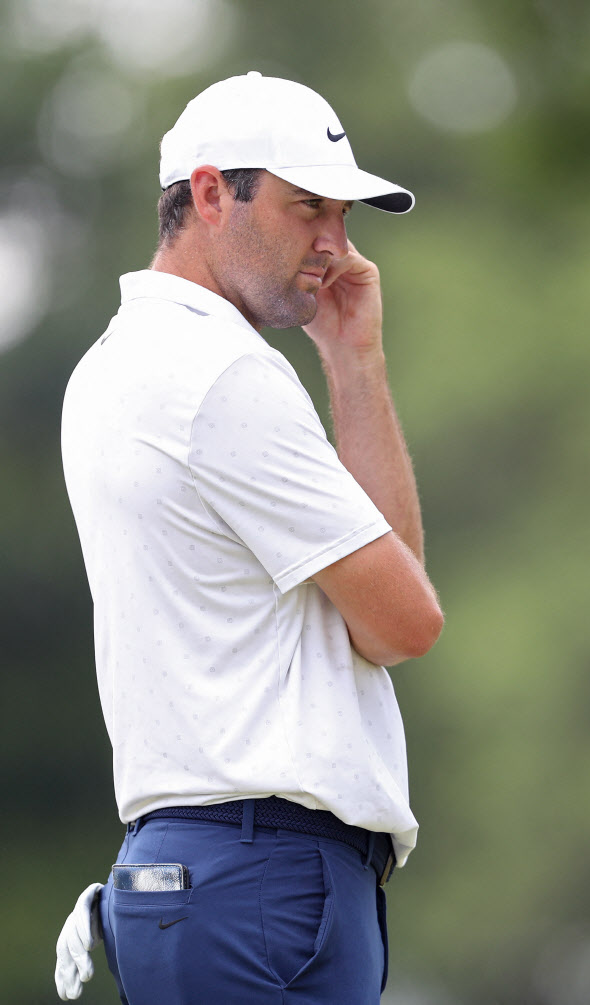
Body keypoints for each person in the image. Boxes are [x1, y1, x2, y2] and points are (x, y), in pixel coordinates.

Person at [55, 71, 443, 1004]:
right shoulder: (223, 372)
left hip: (190, 871)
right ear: (208, 193)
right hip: (265, 880)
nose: (335, 243)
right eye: (308, 205)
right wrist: (357, 368)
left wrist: (352, 360)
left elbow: (385, 603)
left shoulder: (108, 364)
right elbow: (402, 623)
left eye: (343, 214)